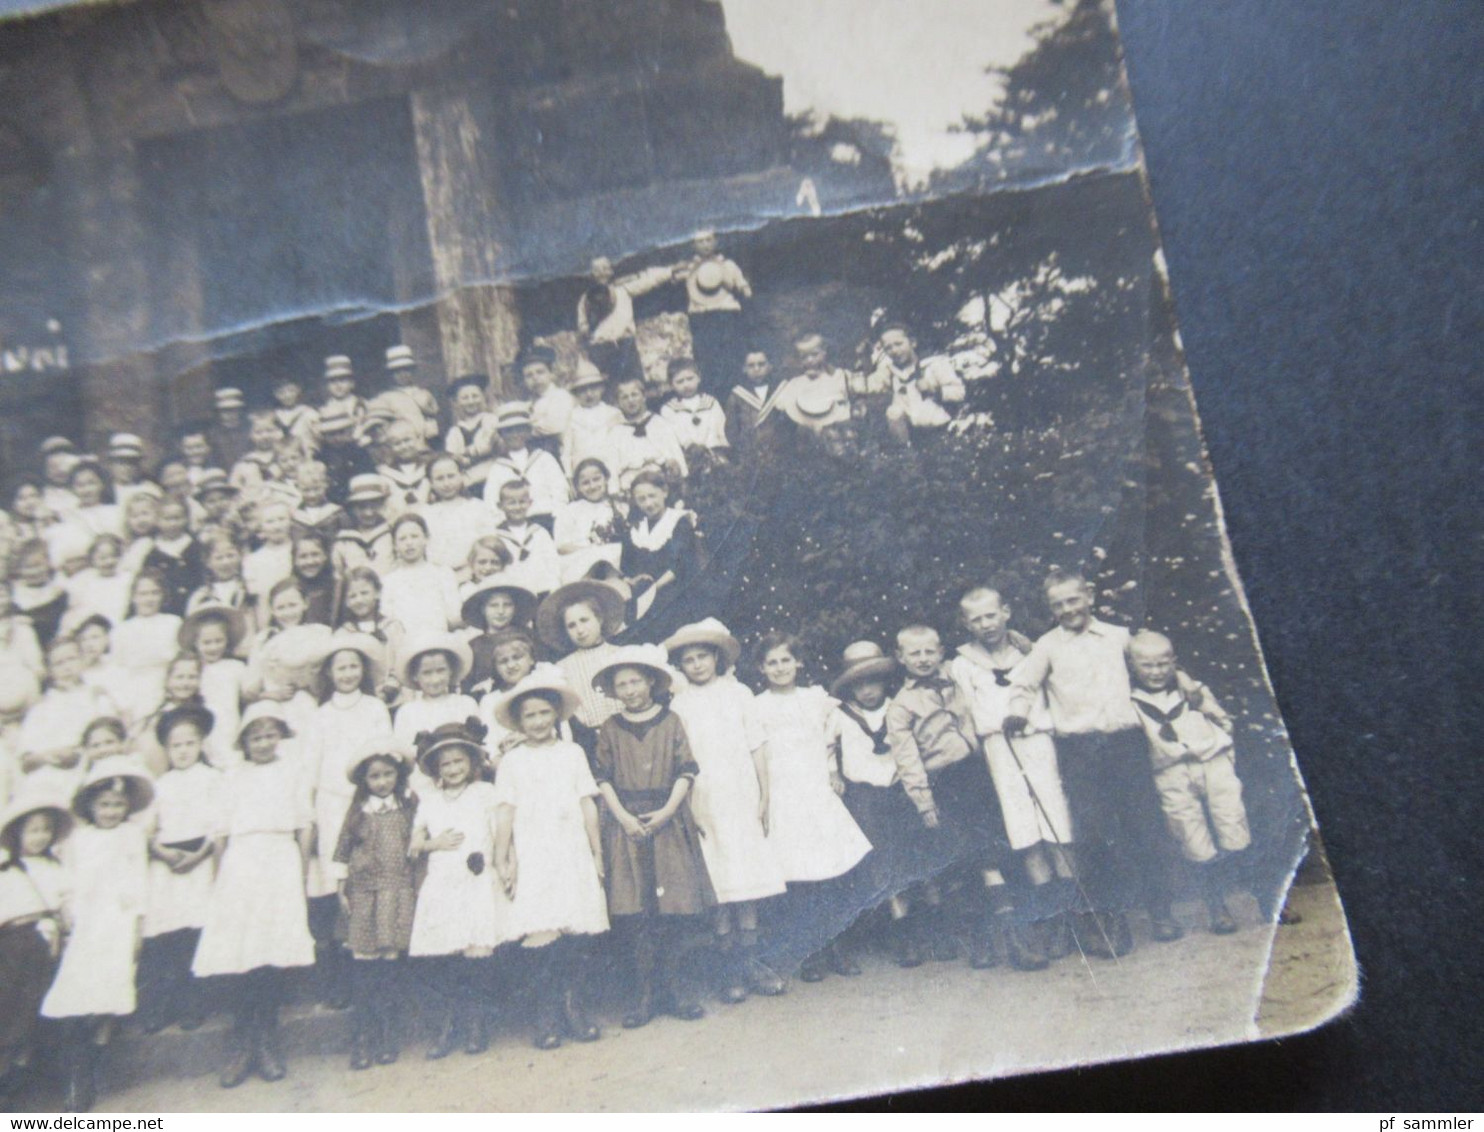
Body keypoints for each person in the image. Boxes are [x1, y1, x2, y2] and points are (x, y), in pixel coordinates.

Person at [1004, 570, 1184, 957]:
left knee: (1145, 826)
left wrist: (1192, 696)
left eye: (1073, 600)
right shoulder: (1047, 646)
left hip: (1126, 744)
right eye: (1058, 604)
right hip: (1080, 751)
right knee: (1095, 835)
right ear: (1050, 609)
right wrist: (1017, 713)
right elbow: (1023, 685)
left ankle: (1160, 910)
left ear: (1089, 596)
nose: (1068, 609)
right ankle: (1110, 920)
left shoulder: (1120, 637)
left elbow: (1158, 669)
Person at [889, 624, 1047, 971]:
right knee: (965, 863)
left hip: (978, 774)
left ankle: (1015, 938)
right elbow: (907, 759)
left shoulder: (957, 674)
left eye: (930, 651)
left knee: (993, 855)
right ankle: (982, 941)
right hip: (943, 785)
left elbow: (1003, 652)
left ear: (941, 651)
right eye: (914, 653)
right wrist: (924, 802)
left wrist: (1020, 638)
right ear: (900, 658)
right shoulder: (902, 705)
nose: (923, 658)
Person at [192, 702, 316, 1089]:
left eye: (270, 735)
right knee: (241, 953)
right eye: (256, 736)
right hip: (242, 862)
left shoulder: (292, 770)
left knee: (271, 953)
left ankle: (267, 1042)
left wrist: (300, 871)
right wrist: (219, 879)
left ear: (280, 737)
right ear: (244, 740)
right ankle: (242, 1045)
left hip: (279, 859)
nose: (263, 743)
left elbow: (304, 824)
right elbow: (221, 832)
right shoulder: (232, 775)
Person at [665, 619, 787, 1002]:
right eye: (689, 660)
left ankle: (752, 961)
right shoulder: (679, 705)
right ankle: (728, 967)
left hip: (740, 795)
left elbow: (757, 746)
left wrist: (765, 794)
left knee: (746, 877)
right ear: (681, 666)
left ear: (717, 659)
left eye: (703, 657)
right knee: (719, 883)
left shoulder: (739, 695)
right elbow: (679, 761)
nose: (697, 665)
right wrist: (687, 806)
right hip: (704, 799)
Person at [591, 645, 713, 1027]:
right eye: (621, 684)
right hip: (626, 822)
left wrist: (666, 813)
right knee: (637, 912)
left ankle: (673, 989)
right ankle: (644, 995)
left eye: (635, 681)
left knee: (672, 908)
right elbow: (602, 778)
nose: (629, 690)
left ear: (649, 682)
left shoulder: (671, 721)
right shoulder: (610, 728)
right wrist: (624, 818)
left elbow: (686, 770)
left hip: (667, 818)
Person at [950, 586, 1077, 953]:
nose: (986, 624)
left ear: (1005, 611)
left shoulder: (1033, 651)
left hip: (1038, 740)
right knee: (1024, 831)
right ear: (966, 624)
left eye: (991, 615)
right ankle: (1052, 920)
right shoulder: (962, 664)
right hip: (997, 749)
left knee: (1058, 824)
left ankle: (1075, 916)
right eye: (976, 619)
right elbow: (965, 714)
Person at [489, 669, 607, 1049]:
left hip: (570, 848)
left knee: (573, 931)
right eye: (530, 716)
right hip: (535, 852)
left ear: (556, 715)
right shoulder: (513, 762)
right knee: (542, 931)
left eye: (544, 713)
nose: (538, 722)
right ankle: (546, 1014)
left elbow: (586, 802)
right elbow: (504, 811)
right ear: (520, 722)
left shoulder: (572, 753)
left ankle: (573, 1008)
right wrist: (503, 857)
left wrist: (596, 851)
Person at [752, 632, 871, 982]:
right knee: (800, 877)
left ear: (798, 662)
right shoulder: (757, 706)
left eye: (785, 660)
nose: (779, 668)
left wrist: (833, 773)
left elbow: (829, 742)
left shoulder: (816, 698)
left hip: (816, 791)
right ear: (761, 668)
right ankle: (811, 952)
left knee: (831, 874)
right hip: (784, 795)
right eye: (771, 662)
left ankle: (839, 947)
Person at [41, 759, 153, 1113]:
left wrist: (137, 927)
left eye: (118, 805)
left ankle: (95, 1062)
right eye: (104, 804)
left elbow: (139, 881)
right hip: (88, 923)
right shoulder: (79, 839)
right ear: (90, 805)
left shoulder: (132, 835)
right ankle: (78, 1073)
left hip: (118, 923)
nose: (111, 811)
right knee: (77, 994)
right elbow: (68, 881)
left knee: (111, 993)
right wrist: (67, 914)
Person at [1126, 630, 1254, 935]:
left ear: (1174, 662)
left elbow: (1222, 719)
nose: (1156, 672)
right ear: (1133, 667)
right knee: (1191, 834)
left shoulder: (1192, 692)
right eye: (1147, 666)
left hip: (1211, 761)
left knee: (1233, 822)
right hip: (1170, 771)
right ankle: (1216, 906)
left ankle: (1265, 892)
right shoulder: (1130, 700)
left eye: (1163, 664)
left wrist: (1221, 747)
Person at [828, 640, 938, 968]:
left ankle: (933, 929)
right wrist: (833, 773)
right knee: (883, 863)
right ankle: (901, 930)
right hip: (865, 796)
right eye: (859, 684)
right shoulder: (839, 715)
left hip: (900, 790)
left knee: (917, 857)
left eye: (873, 682)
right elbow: (826, 746)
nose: (867, 691)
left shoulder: (900, 706)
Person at [407, 720, 507, 1058]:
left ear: (472, 763)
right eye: (445, 764)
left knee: (475, 958)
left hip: (476, 881)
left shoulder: (485, 793)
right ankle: (448, 1027)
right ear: (436, 768)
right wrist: (433, 842)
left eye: (458, 761)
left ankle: (476, 1024)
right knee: (445, 957)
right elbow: (414, 844)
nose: (452, 769)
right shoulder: (429, 799)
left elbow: (500, 834)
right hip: (443, 882)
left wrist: (500, 865)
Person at [307, 635, 395, 1011]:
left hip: (368, 802)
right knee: (336, 884)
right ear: (329, 672)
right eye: (340, 667)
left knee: (369, 883)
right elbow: (310, 770)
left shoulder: (375, 708)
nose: (347, 673)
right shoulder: (321, 715)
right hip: (331, 805)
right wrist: (312, 817)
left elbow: (384, 752)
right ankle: (338, 979)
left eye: (354, 666)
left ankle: (376, 975)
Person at [334, 740, 418, 1070]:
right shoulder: (358, 813)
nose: (382, 782)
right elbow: (342, 849)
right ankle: (363, 1036)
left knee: (388, 965)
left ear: (398, 776)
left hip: (395, 891)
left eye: (387, 774)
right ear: (364, 781)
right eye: (374, 777)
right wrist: (342, 887)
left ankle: (387, 1033)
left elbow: (417, 845)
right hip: (365, 892)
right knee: (365, 967)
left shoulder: (408, 807)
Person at [138, 705, 221, 1034]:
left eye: (189, 743)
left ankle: (193, 1004)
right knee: (167, 936)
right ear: (166, 750)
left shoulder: (214, 779)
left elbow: (220, 823)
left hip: (199, 860)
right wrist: (162, 852)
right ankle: (163, 1005)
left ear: (201, 743)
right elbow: (148, 829)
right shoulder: (161, 785)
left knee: (194, 934)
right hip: (168, 864)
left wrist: (200, 855)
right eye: (176, 746)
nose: (183, 751)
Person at [0, 796, 71, 1100]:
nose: (40, 836)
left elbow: (65, 902)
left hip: (47, 938)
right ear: (17, 835)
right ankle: (8, 1066)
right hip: (14, 940)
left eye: (45, 829)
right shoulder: (7, 867)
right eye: (32, 830)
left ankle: (21, 1065)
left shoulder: (55, 866)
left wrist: (66, 930)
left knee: (36, 1002)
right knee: (10, 1003)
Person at [539, 579, 627, 750]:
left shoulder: (620, 654)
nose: (580, 630)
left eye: (584, 620)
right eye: (572, 625)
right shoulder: (562, 668)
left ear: (599, 619)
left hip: (628, 734)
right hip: (589, 741)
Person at [577, 255, 676, 386]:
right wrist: (588, 328)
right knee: (609, 390)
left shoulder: (622, 290)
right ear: (592, 273)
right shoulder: (585, 299)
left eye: (605, 268)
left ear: (611, 271)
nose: (601, 272)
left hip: (626, 346)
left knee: (636, 385)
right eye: (597, 269)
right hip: (602, 349)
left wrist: (670, 271)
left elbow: (648, 281)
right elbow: (582, 325)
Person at [619, 470, 699, 633]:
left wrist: (653, 588)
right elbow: (625, 566)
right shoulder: (635, 528)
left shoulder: (679, 521)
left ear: (664, 492)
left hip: (674, 592)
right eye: (642, 499)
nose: (648, 503)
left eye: (652, 496)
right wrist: (633, 581)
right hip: (641, 595)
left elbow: (682, 565)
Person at [391, 634, 479, 778]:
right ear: (415, 676)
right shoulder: (408, 712)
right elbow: (404, 755)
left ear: (451, 670)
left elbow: (477, 746)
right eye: (427, 673)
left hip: (463, 777)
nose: (435, 679)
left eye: (441, 670)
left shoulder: (466, 704)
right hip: (422, 781)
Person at [679, 230, 752, 397]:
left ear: (716, 242)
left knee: (732, 360)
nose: (705, 245)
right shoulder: (689, 269)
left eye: (708, 240)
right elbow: (673, 278)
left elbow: (745, 290)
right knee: (707, 364)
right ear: (693, 245)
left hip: (727, 316)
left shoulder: (728, 265)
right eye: (700, 241)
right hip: (702, 319)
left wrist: (735, 285)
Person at [871, 324, 966, 444]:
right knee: (893, 411)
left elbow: (960, 392)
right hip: (913, 436)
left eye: (899, 344)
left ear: (912, 343)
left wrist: (934, 390)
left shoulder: (934, 365)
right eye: (888, 348)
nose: (894, 351)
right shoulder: (892, 373)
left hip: (941, 432)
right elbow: (871, 386)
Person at [178, 604, 247, 769]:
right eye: (206, 642)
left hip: (230, 725)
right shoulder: (194, 669)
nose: (213, 647)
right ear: (196, 643)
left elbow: (247, 696)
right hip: (204, 728)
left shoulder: (235, 667)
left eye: (218, 641)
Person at [482, 404, 570, 530]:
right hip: (514, 524)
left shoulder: (544, 458)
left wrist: (557, 517)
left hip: (547, 519)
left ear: (529, 431)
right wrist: (505, 524)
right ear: (501, 434)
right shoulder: (498, 468)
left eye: (520, 429)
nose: (515, 435)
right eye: (509, 431)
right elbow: (491, 502)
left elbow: (560, 490)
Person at [378, 513, 462, 638]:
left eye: (414, 536)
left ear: (426, 539)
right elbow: (387, 618)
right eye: (402, 539)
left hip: (439, 638)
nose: (409, 543)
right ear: (395, 545)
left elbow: (454, 616)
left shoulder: (442, 573)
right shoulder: (389, 581)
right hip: (405, 643)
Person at [111, 570, 183, 711]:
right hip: (135, 690)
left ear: (162, 595)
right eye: (143, 594)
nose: (149, 599)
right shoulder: (122, 630)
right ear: (133, 597)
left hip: (168, 687)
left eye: (154, 593)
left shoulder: (173, 623)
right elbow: (118, 668)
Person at [334, 569, 406, 705]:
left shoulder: (392, 627)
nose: (359, 600)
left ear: (377, 593)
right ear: (346, 601)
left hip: (393, 699)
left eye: (364, 593)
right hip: (357, 700)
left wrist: (387, 692)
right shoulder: (344, 633)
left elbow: (401, 665)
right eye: (352, 596)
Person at [608, 375, 688, 492]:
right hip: (630, 485)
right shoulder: (616, 432)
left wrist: (682, 477)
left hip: (659, 481)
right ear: (618, 403)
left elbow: (675, 452)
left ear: (644, 396)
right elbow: (612, 465)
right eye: (624, 397)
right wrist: (614, 491)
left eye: (634, 394)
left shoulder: (659, 423)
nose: (631, 400)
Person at [420, 454, 498, 574]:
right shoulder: (426, 513)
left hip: (474, 573)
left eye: (451, 476)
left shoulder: (477, 507)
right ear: (430, 483)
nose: (446, 483)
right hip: (437, 575)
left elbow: (489, 543)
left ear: (461, 476)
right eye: (439, 479)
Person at [553, 457, 626, 584]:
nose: (592, 486)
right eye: (585, 483)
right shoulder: (570, 510)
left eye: (597, 479)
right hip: (580, 563)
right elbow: (561, 546)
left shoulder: (620, 507)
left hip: (615, 564)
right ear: (577, 487)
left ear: (606, 479)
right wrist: (592, 552)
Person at [461, 582, 537, 694]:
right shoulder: (474, 647)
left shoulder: (530, 636)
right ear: (483, 609)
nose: (501, 611)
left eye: (507, 605)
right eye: (493, 605)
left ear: (515, 608)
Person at [491, 480, 561, 598]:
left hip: (542, 590)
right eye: (511, 503)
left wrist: (554, 588)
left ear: (530, 503)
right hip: (512, 592)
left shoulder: (539, 532)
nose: (518, 507)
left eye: (522, 502)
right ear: (500, 506)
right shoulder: (496, 535)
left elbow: (552, 564)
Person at [775, 332, 852, 436]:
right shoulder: (795, 384)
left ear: (824, 352)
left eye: (815, 354)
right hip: (807, 432)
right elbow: (783, 404)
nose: (810, 360)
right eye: (804, 357)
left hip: (835, 430)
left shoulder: (837, 377)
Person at [659, 357, 729, 466]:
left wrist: (712, 449)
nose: (686, 385)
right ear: (671, 385)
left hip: (715, 453)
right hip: (689, 458)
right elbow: (677, 434)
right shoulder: (669, 409)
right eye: (680, 381)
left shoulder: (711, 403)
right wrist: (691, 447)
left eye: (690, 378)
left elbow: (720, 427)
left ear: (698, 378)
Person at [725, 348, 791, 464]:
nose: (757, 369)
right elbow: (732, 429)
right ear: (744, 369)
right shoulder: (737, 395)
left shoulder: (781, 389)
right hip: (749, 456)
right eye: (751, 365)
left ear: (770, 366)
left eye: (761, 364)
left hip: (778, 454)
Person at [140, 497, 202, 616]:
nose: (173, 523)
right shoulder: (153, 553)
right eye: (167, 519)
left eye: (177, 518)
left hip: (193, 607)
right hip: (166, 611)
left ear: (187, 519)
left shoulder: (195, 547)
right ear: (157, 521)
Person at [560, 362, 622, 477]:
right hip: (583, 473)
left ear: (601, 388)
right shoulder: (571, 418)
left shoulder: (614, 414)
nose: (589, 394)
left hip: (612, 469)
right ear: (576, 393)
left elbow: (622, 446)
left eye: (593, 388)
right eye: (583, 390)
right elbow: (566, 453)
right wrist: (569, 476)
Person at [517, 346, 575, 461]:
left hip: (561, 454)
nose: (535, 378)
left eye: (540, 372)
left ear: (551, 374)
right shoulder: (528, 404)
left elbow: (555, 426)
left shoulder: (560, 396)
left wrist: (526, 428)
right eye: (529, 375)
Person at [443, 375, 500, 488]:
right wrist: (459, 458)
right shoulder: (455, 431)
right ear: (456, 402)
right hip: (469, 480)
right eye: (465, 398)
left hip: (492, 474)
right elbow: (453, 455)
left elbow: (486, 446)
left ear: (484, 397)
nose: (471, 401)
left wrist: (465, 453)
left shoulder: (491, 420)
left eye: (475, 396)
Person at [333, 474, 396, 576]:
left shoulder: (392, 534)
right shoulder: (344, 540)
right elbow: (338, 574)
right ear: (352, 508)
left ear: (383, 505)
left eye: (374, 506)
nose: (369, 513)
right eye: (362, 507)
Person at [9, 539, 68, 647]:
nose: (34, 572)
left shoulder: (58, 593)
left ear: (48, 564)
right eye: (28, 567)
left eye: (38, 565)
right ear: (19, 570)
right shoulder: (15, 597)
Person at [243, 500, 295, 621]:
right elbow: (259, 601)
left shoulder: (299, 551)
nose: (277, 526)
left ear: (291, 522)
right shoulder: (253, 560)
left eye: (281, 519)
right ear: (260, 527)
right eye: (270, 522)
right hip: (269, 616)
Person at [384, 345, 441, 444]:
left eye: (406, 370)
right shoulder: (386, 398)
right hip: (402, 444)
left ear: (412, 370)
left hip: (425, 441)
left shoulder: (424, 394)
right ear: (391, 374)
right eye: (397, 371)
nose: (402, 375)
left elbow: (433, 416)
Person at [375, 421, 431, 521]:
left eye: (407, 440)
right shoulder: (385, 474)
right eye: (397, 443)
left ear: (418, 439)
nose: (404, 446)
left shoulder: (429, 467)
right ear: (390, 447)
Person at [290, 461, 344, 542]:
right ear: (297, 488)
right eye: (306, 490)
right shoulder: (294, 515)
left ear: (326, 484)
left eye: (317, 489)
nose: (312, 495)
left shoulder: (336, 512)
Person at [290, 532, 336, 626]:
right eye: (303, 556)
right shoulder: (290, 590)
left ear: (325, 556)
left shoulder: (337, 587)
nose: (310, 562)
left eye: (315, 554)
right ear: (295, 561)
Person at [271, 374, 321, 456]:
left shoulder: (309, 413)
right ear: (275, 394)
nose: (287, 395)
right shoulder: (273, 416)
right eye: (281, 392)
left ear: (298, 390)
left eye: (291, 390)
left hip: (305, 456)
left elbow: (317, 437)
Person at [320, 356, 366, 436]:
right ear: (327, 386)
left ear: (352, 383)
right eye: (333, 381)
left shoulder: (361, 404)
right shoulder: (323, 409)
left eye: (342, 380)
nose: (338, 386)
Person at [208, 387, 251, 472]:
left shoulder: (249, 429)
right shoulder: (213, 434)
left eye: (234, 410)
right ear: (219, 413)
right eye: (225, 411)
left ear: (240, 410)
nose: (230, 414)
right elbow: (212, 460)